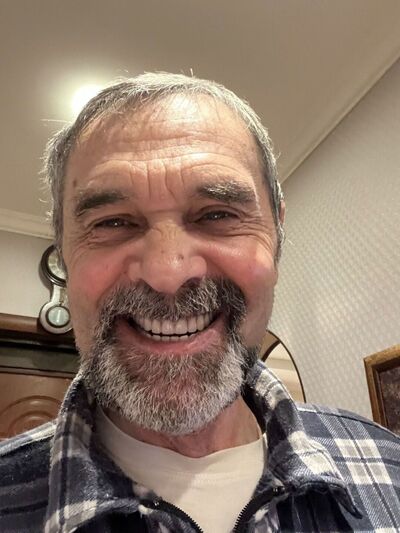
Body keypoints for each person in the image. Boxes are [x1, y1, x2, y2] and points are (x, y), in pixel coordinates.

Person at [0, 73, 399, 533]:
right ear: (64, 250)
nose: (168, 273)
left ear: (277, 234)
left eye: (217, 214)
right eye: (112, 223)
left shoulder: (389, 467)